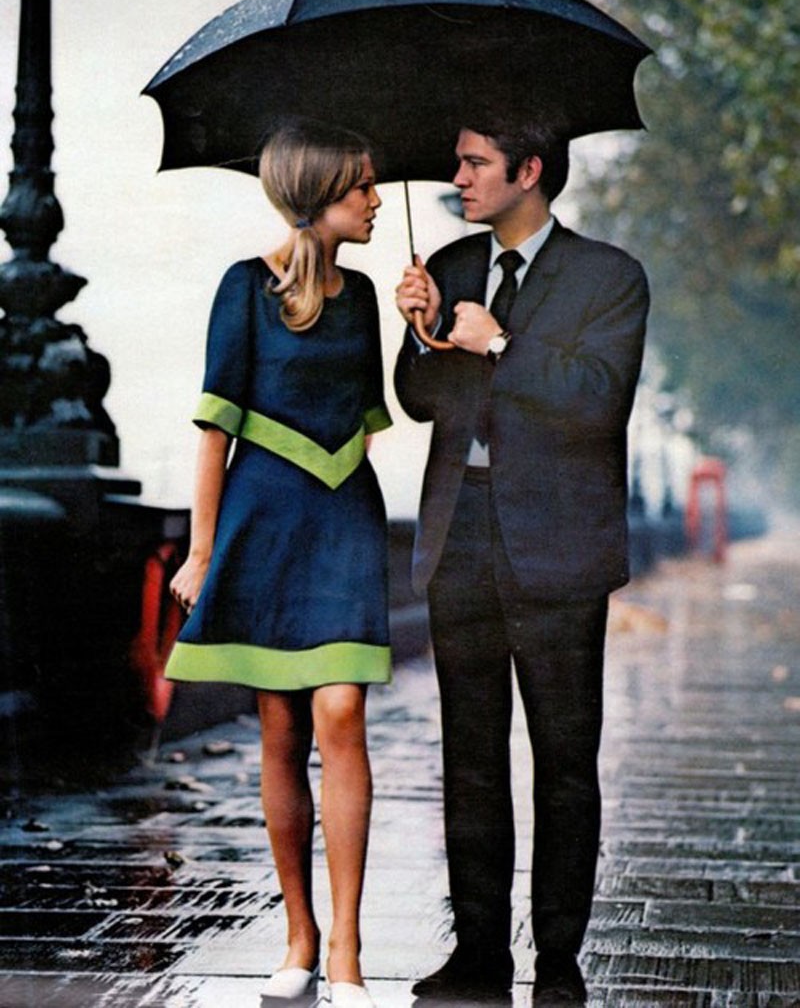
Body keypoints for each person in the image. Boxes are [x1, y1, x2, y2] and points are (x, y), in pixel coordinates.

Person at [394, 110, 649, 1006]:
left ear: (529, 169)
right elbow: (419, 399)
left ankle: (560, 959)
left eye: (475, 163)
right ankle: (477, 953)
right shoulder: (452, 266)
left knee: (564, 759)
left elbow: (597, 399)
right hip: (459, 535)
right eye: (457, 162)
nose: (458, 178)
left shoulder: (609, 276)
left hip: (561, 547)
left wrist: (498, 343)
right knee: (469, 756)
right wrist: (422, 328)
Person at [166, 118, 390, 1008]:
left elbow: (372, 413)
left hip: (344, 515)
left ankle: (347, 949)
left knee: (341, 711)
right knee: (280, 728)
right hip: (264, 519)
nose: (375, 200)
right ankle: (299, 935)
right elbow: (214, 430)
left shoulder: (365, 295)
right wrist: (201, 551)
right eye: (362, 185)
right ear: (318, 193)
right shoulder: (243, 288)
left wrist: (422, 327)